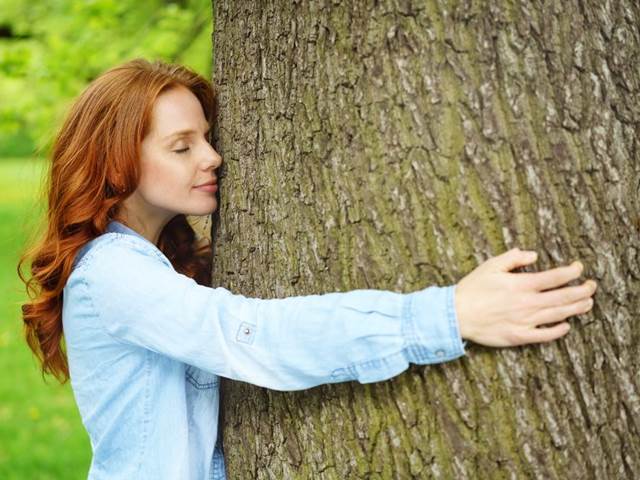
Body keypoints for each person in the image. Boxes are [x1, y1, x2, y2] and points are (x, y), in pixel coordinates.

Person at [18, 58, 598, 480]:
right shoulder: (113, 274)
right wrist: (444, 315)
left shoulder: (156, 264)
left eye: (209, 138)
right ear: (117, 159)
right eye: (182, 146)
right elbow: (253, 336)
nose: (213, 157)